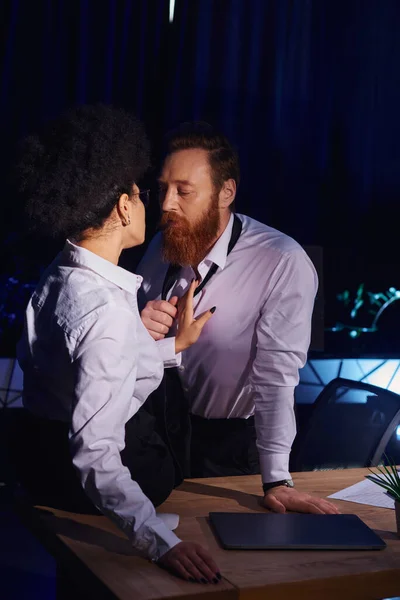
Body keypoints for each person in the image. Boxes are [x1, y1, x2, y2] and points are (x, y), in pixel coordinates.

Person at [14, 106, 221, 583]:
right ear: (125, 206)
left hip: (40, 460)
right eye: (142, 193)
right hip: (81, 482)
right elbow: (94, 451)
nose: (154, 204)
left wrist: (174, 347)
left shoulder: (62, 273)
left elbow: (84, 373)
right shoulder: (105, 310)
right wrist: (157, 539)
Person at [137, 122, 339, 515]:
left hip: (226, 448)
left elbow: (276, 377)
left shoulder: (281, 260)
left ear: (226, 192)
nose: (165, 204)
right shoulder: (161, 243)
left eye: (183, 191)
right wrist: (137, 325)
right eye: (163, 188)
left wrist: (277, 479)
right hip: (154, 432)